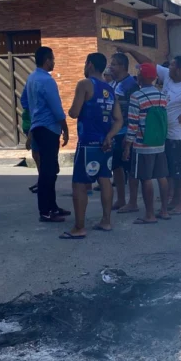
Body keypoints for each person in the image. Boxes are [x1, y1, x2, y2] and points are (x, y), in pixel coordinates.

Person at [118, 48, 181, 215]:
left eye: (172, 65)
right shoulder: (168, 76)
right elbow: (149, 64)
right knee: (170, 172)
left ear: (179, 70)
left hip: (180, 137)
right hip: (166, 135)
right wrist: (131, 51)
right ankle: (173, 201)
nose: (168, 67)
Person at [61, 53, 122, 239]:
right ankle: (106, 221)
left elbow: (74, 112)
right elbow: (118, 120)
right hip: (106, 143)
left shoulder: (84, 84)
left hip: (88, 143)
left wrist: (71, 109)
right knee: (105, 180)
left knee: (79, 184)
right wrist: (109, 136)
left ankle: (79, 227)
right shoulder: (110, 89)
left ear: (89, 65)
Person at [26, 46, 71, 223]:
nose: (54, 62)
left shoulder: (31, 78)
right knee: (48, 171)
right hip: (48, 128)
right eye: (52, 59)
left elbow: (25, 102)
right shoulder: (46, 80)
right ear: (47, 60)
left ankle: (52, 207)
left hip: (38, 127)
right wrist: (65, 129)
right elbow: (56, 108)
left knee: (49, 170)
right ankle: (46, 211)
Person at [123, 63, 171, 224]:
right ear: (155, 78)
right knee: (162, 177)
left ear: (141, 78)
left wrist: (128, 145)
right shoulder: (162, 96)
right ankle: (164, 211)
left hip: (143, 145)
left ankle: (149, 215)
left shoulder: (136, 96)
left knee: (146, 179)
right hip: (159, 143)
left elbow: (133, 123)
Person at [108, 53, 140, 213]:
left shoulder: (131, 85)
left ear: (122, 66)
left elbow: (135, 110)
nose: (110, 67)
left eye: (113, 64)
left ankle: (132, 201)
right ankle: (121, 199)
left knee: (130, 168)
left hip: (127, 132)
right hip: (114, 132)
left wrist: (130, 136)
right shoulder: (113, 83)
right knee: (117, 167)